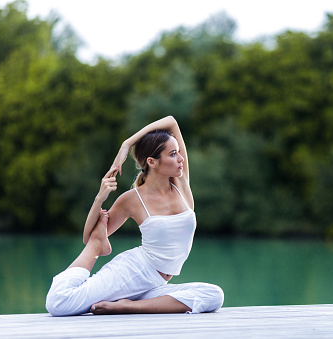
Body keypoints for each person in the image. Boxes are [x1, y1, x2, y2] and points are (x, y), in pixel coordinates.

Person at [45, 116, 224, 316]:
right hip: (135, 271)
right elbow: (89, 236)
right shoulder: (132, 199)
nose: (181, 158)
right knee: (60, 303)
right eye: (173, 154)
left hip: (155, 284)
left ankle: (128, 305)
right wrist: (99, 199)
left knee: (213, 295)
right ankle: (101, 251)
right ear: (152, 162)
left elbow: (172, 122)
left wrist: (127, 143)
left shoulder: (181, 185)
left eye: (179, 153)